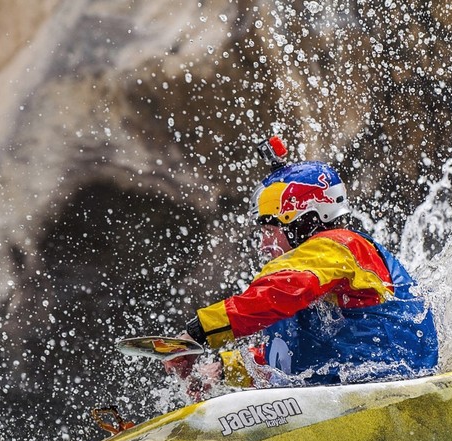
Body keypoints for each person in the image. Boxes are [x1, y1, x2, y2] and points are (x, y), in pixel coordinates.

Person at [165, 137, 438, 395]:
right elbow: (293, 356)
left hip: (403, 386)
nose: (263, 245)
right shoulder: (311, 284)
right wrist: (223, 370)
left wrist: (198, 331)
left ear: (302, 223)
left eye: (269, 231)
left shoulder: (340, 246)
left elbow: (277, 293)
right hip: (354, 393)